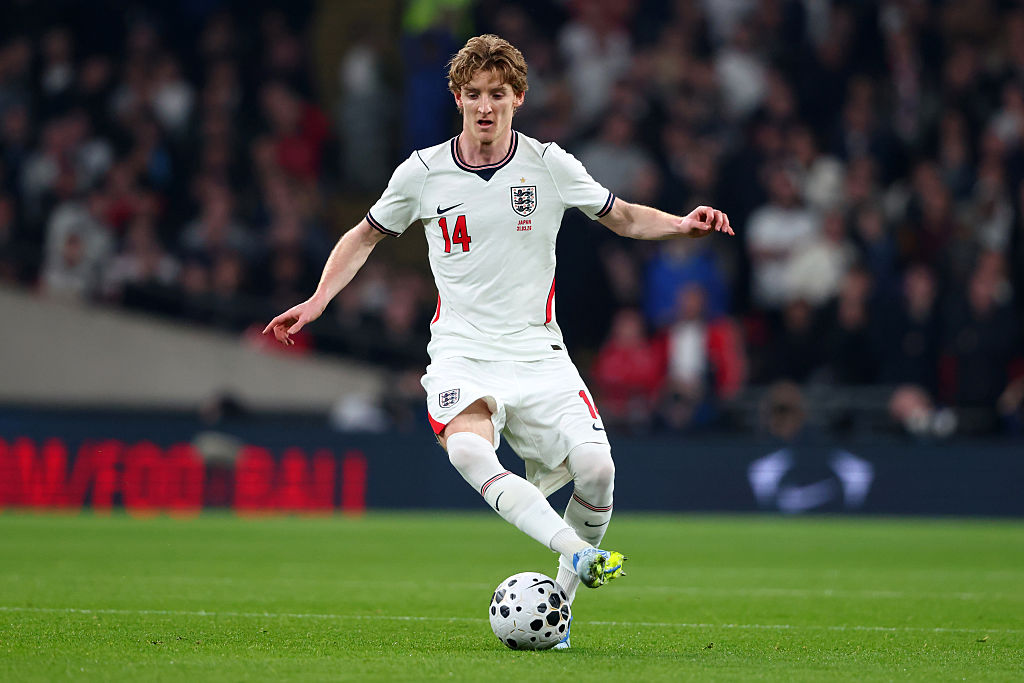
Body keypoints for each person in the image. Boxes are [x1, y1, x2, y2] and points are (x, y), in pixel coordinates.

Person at [263, 34, 733, 648]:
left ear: (517, 98)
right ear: (457, 98)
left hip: (538, 351)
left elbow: (619, 215)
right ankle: (578, 553)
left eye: (498, 94)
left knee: (597, 469)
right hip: (462, 350)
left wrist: (681, 224)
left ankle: (558, 608)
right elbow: (363, 236)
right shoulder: (422, 172)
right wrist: (317, 301)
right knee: (468, 452)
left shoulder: (548, 164)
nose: (486, 106)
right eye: (474, 95)